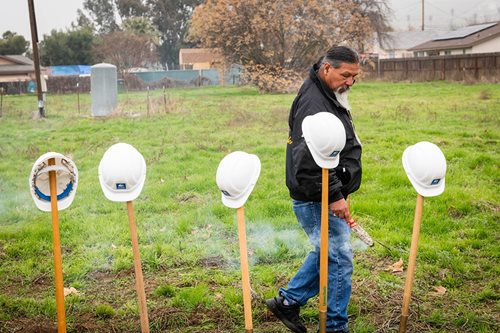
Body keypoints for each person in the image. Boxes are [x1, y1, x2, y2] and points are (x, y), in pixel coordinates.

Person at [266, 45, 362, 333]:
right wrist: (334, 196)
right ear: (327, 69)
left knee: (328, 252)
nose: (350, 82)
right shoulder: (314, 103)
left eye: (355, 77)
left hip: (321, 193)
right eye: (346, 75)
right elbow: (308, 161)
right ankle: (335, 326)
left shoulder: (325, 93)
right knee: (338, 257)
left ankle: (288, 302)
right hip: (316, 196)